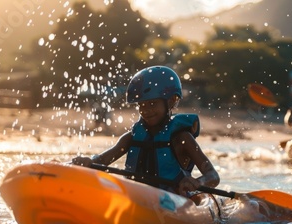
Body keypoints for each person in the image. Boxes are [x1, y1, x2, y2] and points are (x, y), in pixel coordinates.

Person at [72, 65, 220, 197]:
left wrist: (198, 182)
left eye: (152, 104)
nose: (146, 110)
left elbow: (213, 176)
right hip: (137, 197)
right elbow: (102, 161)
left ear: (172, 100)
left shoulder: (182, 139)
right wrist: (88, 162)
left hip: (173, 201)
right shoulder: (131, 138)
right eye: (141, 105)